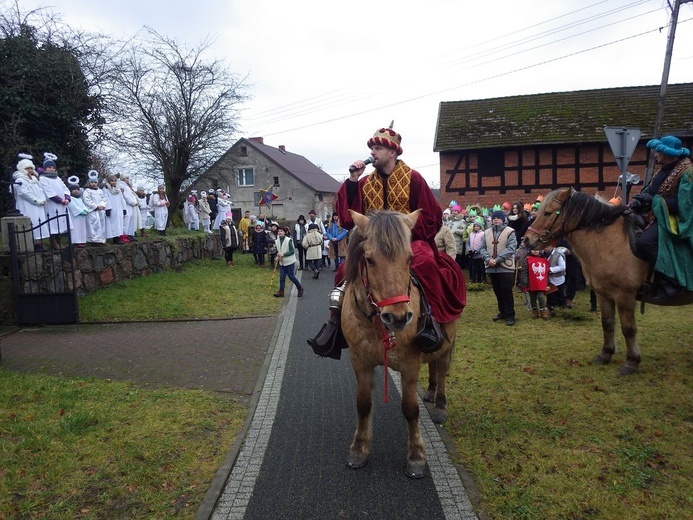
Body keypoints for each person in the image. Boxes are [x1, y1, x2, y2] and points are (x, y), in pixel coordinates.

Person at [308, 125, 466, 356]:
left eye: (378, 148)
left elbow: (431, 217)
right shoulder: (363, 183)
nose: (373, 152)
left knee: (426, 264)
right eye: (372, 148)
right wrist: (352, 181)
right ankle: (335, 325)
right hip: (373, 243)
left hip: (409, 240)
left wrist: (402, 232)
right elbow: (348, 218)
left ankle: (431, 321)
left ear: (393, 152)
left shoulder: (414, 178)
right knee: (343, 270)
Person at [630, 135, 693, 301]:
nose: (655, 155)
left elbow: (683, 206)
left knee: (645, 242)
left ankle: (671, 282)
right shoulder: (664, 169)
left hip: (674, 220)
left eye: (658, 151)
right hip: (656, 215)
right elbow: (651, 192)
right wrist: (640, 200)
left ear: (667, 153)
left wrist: (654, 201)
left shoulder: (687, 173)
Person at [480, 210, 517, 326]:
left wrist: (497, 259)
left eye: (498, 218)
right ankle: (502, 312)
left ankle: (510, 314)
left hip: (505, 266)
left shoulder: (510, 232)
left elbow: (511, 248)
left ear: (503, 219)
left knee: (506, 290)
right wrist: (488, 259)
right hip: (491, 266)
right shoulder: (486, 233)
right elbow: (482, 248)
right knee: (497, 290)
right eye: (494, 218)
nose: (496, 219)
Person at [12, 154, 48, 250]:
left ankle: (37, 242)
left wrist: (43, 199)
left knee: (38, 222)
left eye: (31, 168)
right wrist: (36, 201)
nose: (30, 170)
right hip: (27, 205)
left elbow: (40, 190)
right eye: (27, 168)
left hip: (38, 204)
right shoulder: (20, 180)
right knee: (31, 222)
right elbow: (24, 193)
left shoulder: (34, 179)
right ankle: (30, 242)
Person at [39, 153, 72, 249]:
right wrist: (59, 200)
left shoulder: (58, 178)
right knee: (52, 222)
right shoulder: (43, 178)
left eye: (53, 167)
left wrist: (67, 198)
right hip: (52, 204)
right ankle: (53, 242)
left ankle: (59, 241)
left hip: (62, 204)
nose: (51, 169)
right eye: (49, 167)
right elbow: (48, 191)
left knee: (60, 222)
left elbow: (65, 188)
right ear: (45, 168)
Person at [273, 226, 304, 297]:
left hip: (289, 262)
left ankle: (300, 288)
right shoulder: (277, 241)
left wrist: (283, 254)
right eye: (278, 231)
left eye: (281, 231)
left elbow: (292, 251)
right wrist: (277, 256)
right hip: (282, 262)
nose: (279, 232)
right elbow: (278, 251)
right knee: (282, 277)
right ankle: (281, 291)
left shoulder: (288, 240)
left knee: (291, 276)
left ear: (284, 232)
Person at [519, 247, 550, 319]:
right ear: (530, 250)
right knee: (532, 298)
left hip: (541, 282)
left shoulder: (544, 259)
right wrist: (524, 282)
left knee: (541, 297)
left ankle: (543, 311)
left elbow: (546, 272)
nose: (536, 251)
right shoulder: (527, 259)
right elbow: (524, 271)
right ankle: (534, 311)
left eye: (537, 249)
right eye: (534, 249)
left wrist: (547, 282)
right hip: (531, 282)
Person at [82, 170, 107, 245]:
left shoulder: (100, 191)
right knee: (93, 225)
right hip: (92, 210)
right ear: (89, 183)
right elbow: (87, 200)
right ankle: (93, 239)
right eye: (92, 182)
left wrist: (102, 205)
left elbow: (104, 198)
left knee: (101, 225)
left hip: (100, 210)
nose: (94, 184)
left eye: (95, 182)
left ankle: (101, 239)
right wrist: (95, 206)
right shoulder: (87, 191)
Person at [65, 177, 89, 247]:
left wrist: (85, 210)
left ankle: (82, 241)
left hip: (81, 217)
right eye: (74, 189)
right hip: (75, 217)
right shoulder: (70, 198)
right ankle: (76, 241)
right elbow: (73, 207)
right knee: (76, 229)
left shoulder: (79, 198)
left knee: (82, 229)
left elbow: (83, 205)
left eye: (77, 189)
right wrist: (81, 211)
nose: (76, 191)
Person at [545, 244, 567, 317]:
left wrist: (551, 269)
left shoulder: (558, 255)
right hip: (548, 279)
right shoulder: (542, 254)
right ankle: (551, 308)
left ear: (551, 246)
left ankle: (562, 306)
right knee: (550, 294)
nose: (546, 249)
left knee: (560, 293)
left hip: (558, 278)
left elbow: (562, 266)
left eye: (547, 246)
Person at [119, 173, 140, 241]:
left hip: (131, 205)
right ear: (122, 179)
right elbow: (125, 195)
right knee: (127, 219)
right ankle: (125, 234)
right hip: (127, 205)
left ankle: (130, 234)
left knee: (132, 220)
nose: (128, 179)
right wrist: (131, 202)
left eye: (128, 178)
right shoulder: (121, 185)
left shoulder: (127, 186)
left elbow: (131, 195)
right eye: (126, 178)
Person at [466, 218, 486, 283]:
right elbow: (467, 242)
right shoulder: (471, 234)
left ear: (480, 227)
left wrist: (477, 250)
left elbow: (483, 244)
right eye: (475, 226)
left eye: (477, 226)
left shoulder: (483, 234)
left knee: (481, 267)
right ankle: (473, 279)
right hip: (472, 254)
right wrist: (469, 250)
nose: (476, 227)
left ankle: (482, 279)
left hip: (479, 254)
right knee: (473, 267)